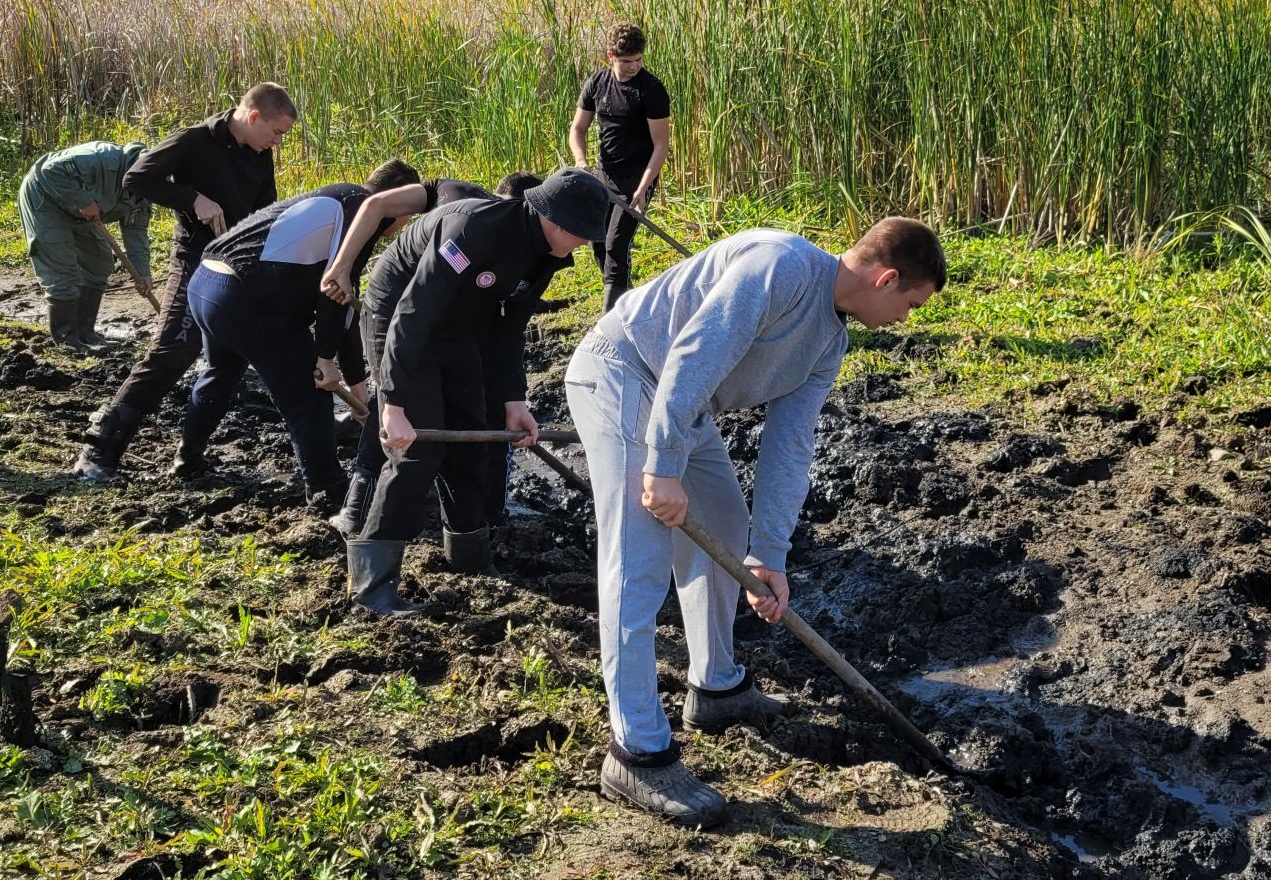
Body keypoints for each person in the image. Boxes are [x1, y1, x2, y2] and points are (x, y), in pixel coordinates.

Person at [565, 217, 947, 827]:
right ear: (888, 277)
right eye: (911, 304)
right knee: (637, 561)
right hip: (624, 371)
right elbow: (695, 353)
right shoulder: (781, 265)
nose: (906, 319)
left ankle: (716, 688)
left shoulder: (829, 342)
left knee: (724, 525)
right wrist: (662, 464)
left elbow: (789, 445)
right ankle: (636, 750)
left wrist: (769, 554)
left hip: (687, 405)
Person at [349, 168, 611, 618]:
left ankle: (469, 560)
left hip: (462, 327)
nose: (584, 245)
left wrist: (514, 401)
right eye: (582, 236)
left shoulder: (545, 253)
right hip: (398, 315)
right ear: (555, 221)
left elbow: (508, 328)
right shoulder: (473, 229)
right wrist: (393, 404)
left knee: (475, 440)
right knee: (419, 448)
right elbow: (413, 313)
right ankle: (373, 587)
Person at [75, 83, 297, 481]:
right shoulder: (194, 141)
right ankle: (100, 449)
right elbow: (137, 178)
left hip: (235, 265)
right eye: (276, 132)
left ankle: (188, 459)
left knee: (228, 360)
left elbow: (266, 211)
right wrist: (194, 199)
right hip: (195, 258)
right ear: (254, 117)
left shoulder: (259, 155)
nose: (277, 143)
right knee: (173, 350)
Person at [173, 168, 426, 510]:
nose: (403, 225)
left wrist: (359, 389)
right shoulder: (363, 210)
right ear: (397, 200)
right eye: (408, 214)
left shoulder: (338, 198)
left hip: (208, 283)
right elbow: (334, 293)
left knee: (221, 374)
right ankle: (327, 491)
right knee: (309, 395)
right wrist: (323, 360)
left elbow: (344, 314)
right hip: (246, 297)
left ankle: (187, 459)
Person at [319, 170, 544, 543]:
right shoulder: (458, 200)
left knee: (477, 409)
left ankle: (485, 516)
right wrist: (342, 265)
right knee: (397, 403)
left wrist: (510, 395)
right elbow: (375, 204)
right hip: (402, 305)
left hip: (459, 318)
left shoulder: (525, 251)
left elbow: (503, 332)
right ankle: (358, 508)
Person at [568, 22, 671, 311]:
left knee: (616, 245)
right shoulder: (598, 83)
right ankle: (626, 304)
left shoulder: (651, 90)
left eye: (639, 60)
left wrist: (644, 187)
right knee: (598, 240)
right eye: (627, 62)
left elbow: (661, 145)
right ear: (610, 55)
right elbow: (577, 129)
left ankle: (610, 321)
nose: (634, 67)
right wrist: (581, 161)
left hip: (638, 178)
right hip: (603, 174)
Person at [18, 140, 155, 352]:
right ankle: (67, 339)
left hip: (83, 214)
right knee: (62, 268)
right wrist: (82, 200)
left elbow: (135, 231)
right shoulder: (100, 159)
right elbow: (50, 170)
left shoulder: (147, 189)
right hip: (46, 198)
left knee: (99, 263)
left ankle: (85, 332)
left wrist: (142, 273)